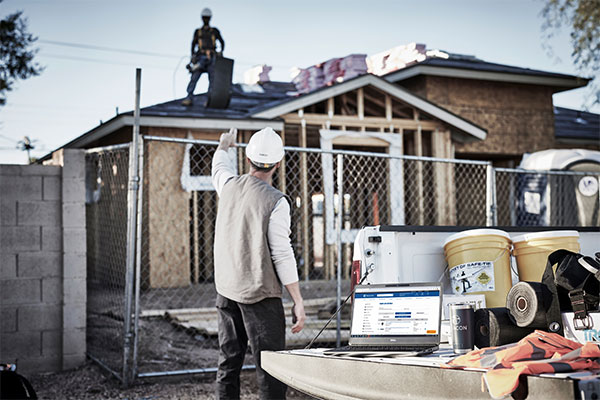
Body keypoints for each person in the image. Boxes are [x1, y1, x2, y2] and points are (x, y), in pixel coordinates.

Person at [212, 127, 306, 399]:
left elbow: (218, 166)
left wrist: (224, 145)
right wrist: (297, 300)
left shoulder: (228, 185)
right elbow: (281, 253)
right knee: (270, 368)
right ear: (278, 163)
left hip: (227, 291)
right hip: (260, 298)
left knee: (229, 361)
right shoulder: (276, 202)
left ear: (247, 158)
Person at [182, 7, 225, 106]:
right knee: (194, 77)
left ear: (210, 18)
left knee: (213, 79)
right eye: (205, 18)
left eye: (207, 18)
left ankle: (209, 99)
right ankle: (189, 97)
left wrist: (220, 52)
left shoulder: (214, 31)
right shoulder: (198, 32)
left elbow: (222, 42)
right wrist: (192, 57)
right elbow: (193, 45)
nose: (206, 20)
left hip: (212, 58)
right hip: (200, 57)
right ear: (202, 18)